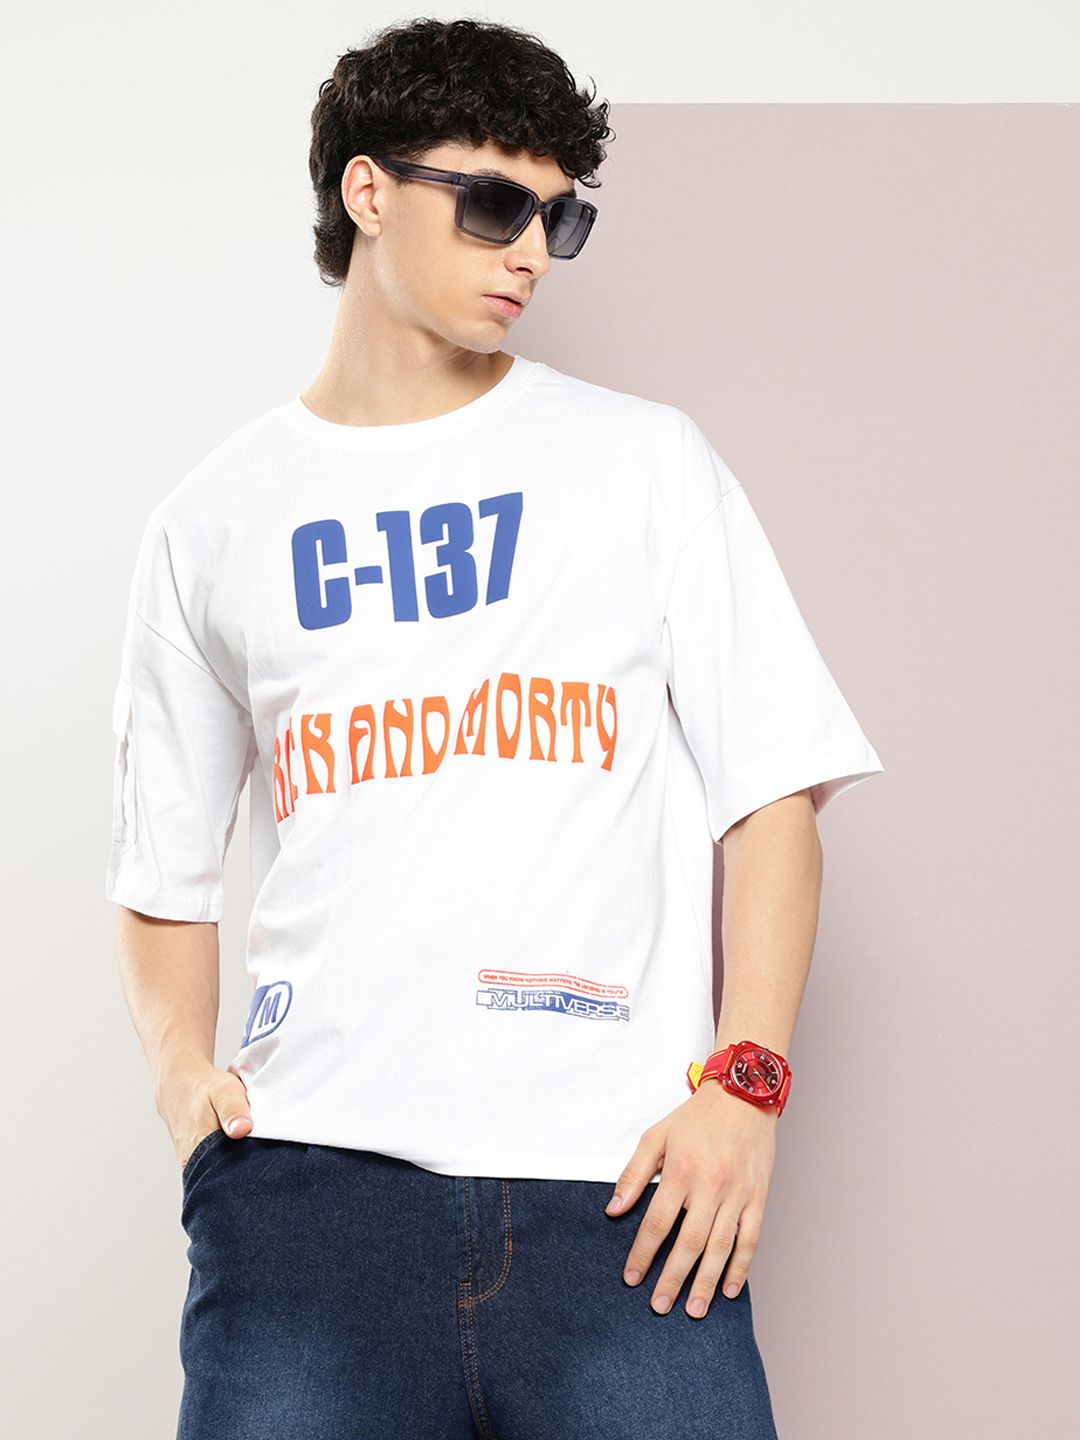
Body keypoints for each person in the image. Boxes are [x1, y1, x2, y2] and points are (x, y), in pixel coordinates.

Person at [106, 17, 884, 1439]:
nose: (532, 250)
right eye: (492, 203)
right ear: (367, 191)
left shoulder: (645, 465)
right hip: (307, 1203)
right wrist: (182, 1087)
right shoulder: (212, 522)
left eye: (559, 217)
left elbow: (773, 793)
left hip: (625, 1199)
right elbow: (163, 869)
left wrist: (749, 1082)